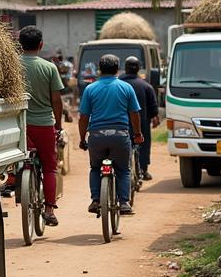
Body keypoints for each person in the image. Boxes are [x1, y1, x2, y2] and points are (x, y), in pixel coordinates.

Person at [78, 53, 144, 216]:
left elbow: (84, 117)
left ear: (99, 70)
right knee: (123, 170)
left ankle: (95, 200)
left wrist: (82, 138)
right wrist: (137, 134)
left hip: (97, 137)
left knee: (95, 168)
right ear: (117, 69)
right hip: (120, 136)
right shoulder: (126, 88)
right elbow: (134, 114)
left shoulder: (90, 89)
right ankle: (124, 202)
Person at [17, 26, 63, 227]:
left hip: (20, 125)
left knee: (16, 158)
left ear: (20, 45)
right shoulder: (49, 68)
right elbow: (57, 100)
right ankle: (49, 210)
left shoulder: (13, 65)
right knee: (50, 167)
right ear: (41, 45)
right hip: (44, 125)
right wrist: (58, 125)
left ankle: (11, 180)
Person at [120, 56, 159, 180]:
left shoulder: (117, 84)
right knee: (143, 145)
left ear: (125, 68)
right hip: (142, 124)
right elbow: (154, 109)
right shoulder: (146, 86)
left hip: (120, 123)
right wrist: (153, 117)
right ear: (139, 69)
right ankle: (143, 171)